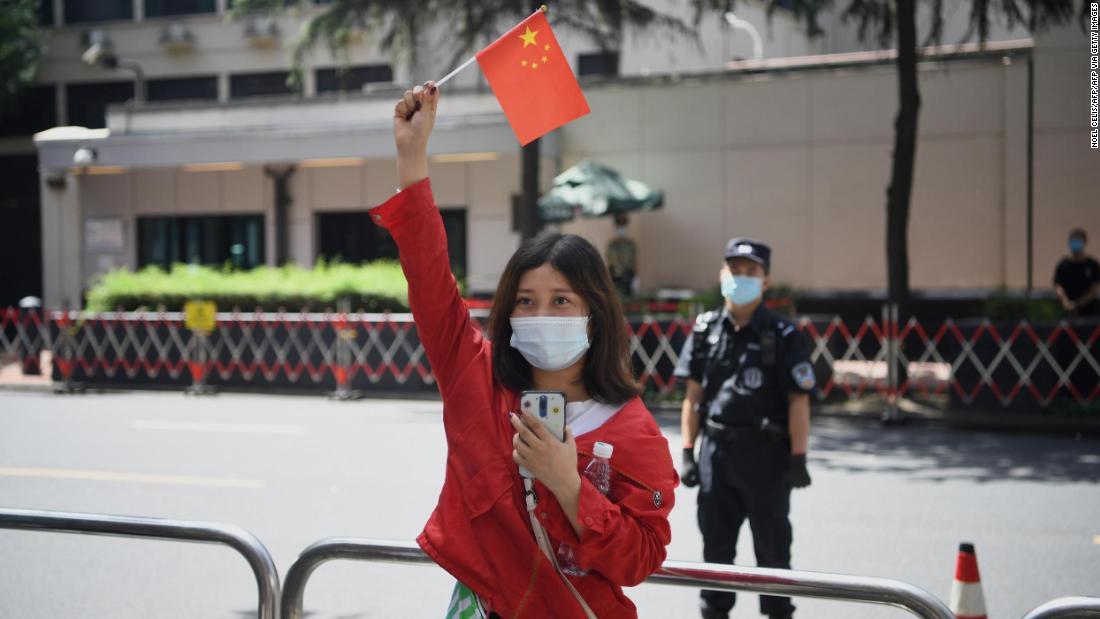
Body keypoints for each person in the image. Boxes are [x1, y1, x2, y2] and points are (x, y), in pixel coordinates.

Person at [375, 82, 678, 619]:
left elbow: (641, 559)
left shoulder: (633, 433)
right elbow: (429, 279)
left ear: (595, 312)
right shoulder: (477, 377)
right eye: (525, 301)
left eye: (561, 300)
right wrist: (412, 157)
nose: (541, 315)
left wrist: (567, 485)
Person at [674, 238, 814, 619]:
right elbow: (693, 397)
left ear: (765, 281)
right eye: (734, 271)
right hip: (716, 456)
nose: (741, 278)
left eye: (751, 272)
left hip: (766, 458)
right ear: (722, 275)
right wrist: (687, 452)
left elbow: (798, 400)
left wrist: (799, 457)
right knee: (715, 554)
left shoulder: (783, 334)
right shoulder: (705, 330)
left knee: (772, 553)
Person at [1054, 228, 1100, 318]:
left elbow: (1094, 289)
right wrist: (1066, 302)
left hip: (1089, 313)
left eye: (1078, 241)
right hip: (1068, 312)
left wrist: (1077, 304)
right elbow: (1057, 285)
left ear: (1085, 242)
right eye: (1073, 241)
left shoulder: (1092, 265)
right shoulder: (1063, 265)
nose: (1075, 244)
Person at [606, 213, 638, 298]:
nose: (621, 229)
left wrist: (635, 278)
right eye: (619, 225)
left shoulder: (630, 244)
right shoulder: (612, 244)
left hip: (628, 277)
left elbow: (634, 261)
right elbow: (610, 262)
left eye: (623, 225)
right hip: (616, 278)